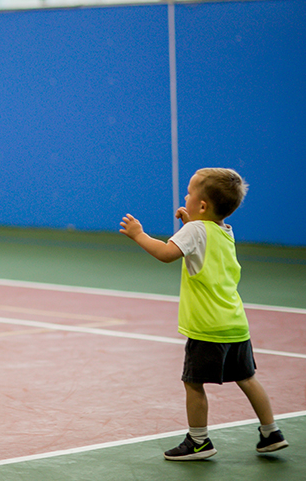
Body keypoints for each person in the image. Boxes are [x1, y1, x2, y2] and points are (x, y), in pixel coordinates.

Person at [120, 167, 288, 460]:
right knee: (247, 378)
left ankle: (199, 442)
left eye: (189, 191)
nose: (185, 195)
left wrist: (139, 234)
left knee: (193, 383)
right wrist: (190, 223)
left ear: (202, 205)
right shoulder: (223, 231)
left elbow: (166, 253)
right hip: (235, 324)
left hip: (207, 328)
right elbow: (201, 241)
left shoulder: (195, 231)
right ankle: (271, 432)